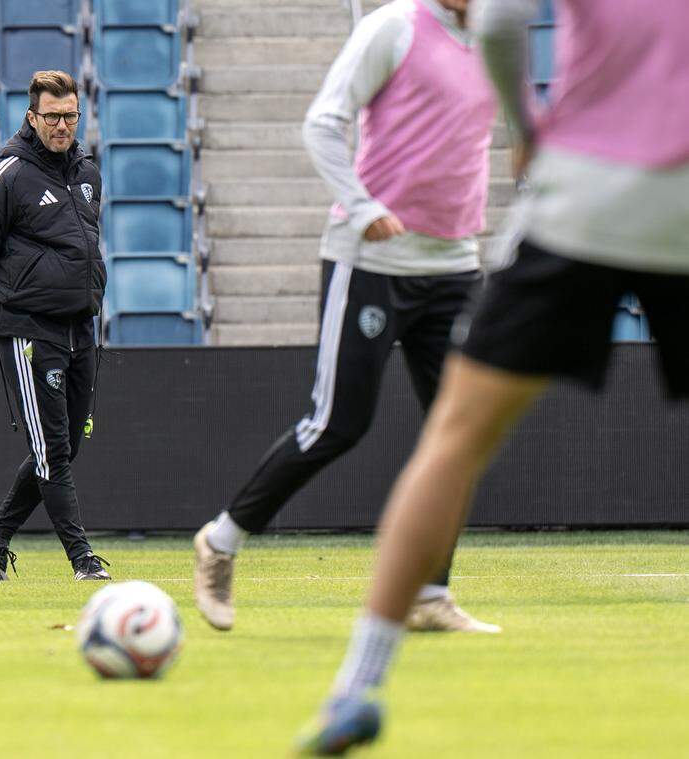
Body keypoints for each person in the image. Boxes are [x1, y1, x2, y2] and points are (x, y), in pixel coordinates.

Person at [302, 0, 689, 753]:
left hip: (579, 197)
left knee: (453, 438)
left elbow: (505, 21)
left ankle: (357, 685)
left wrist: (529, 129)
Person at [194, 0, 499, 634]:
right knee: (338, 422)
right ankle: (220, 543)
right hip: (371, 259)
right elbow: (321, 124)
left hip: (454, 267)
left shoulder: (498, 39)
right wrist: (360, 207)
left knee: (461, 434)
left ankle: (429, 594)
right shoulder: (394, 27)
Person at [0, 71, 110, 582]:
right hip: (28, 329)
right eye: (53, 116)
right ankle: (82, 559)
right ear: (31, 117)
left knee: (65, 445)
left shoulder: (88, 172)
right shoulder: (9, 173)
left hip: (81, 326)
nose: (63, 125)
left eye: (71, 115)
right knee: (50, 447)